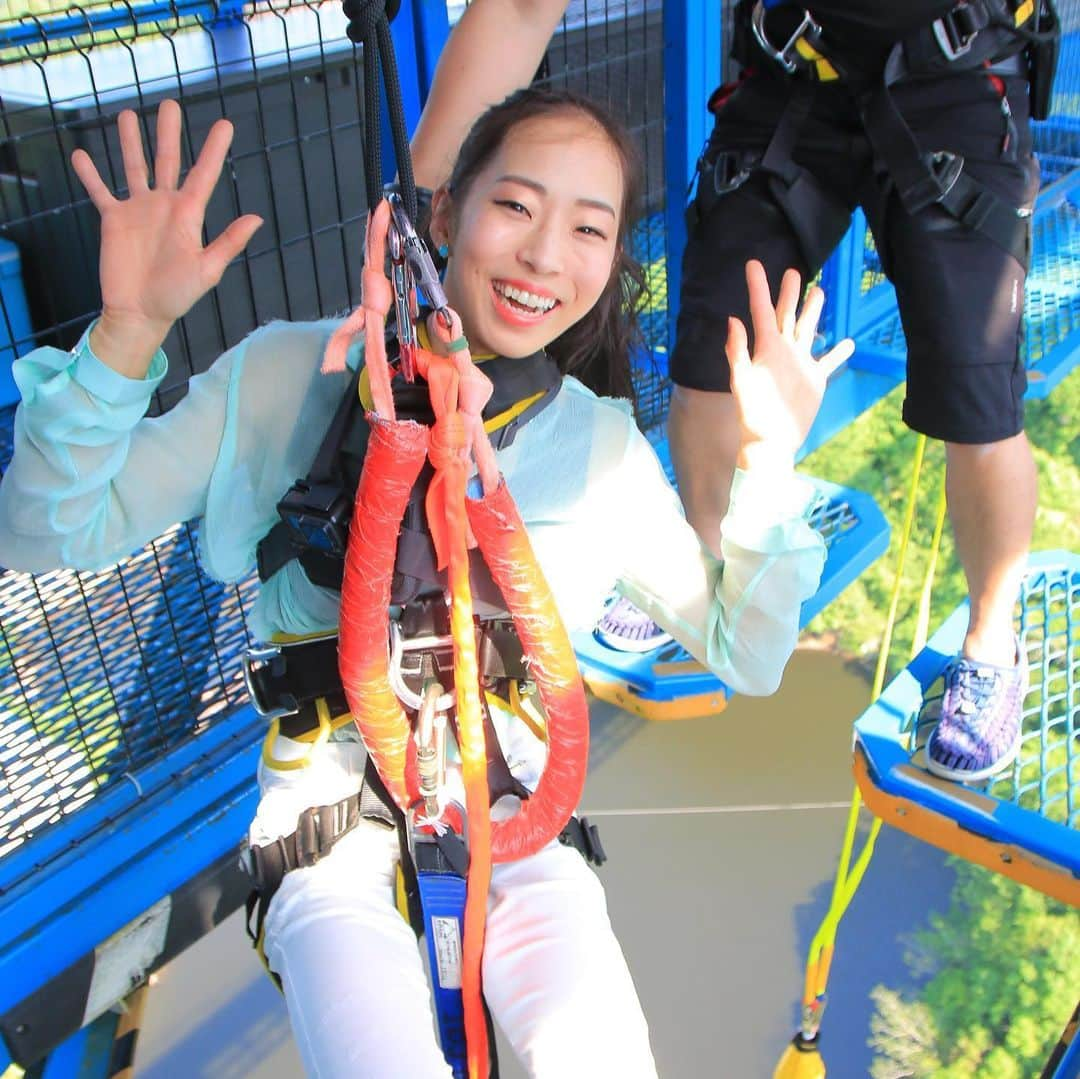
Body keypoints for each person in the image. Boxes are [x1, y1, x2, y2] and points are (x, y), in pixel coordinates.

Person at [0, 2, 851, 1072]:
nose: (546, 254)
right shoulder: (289, 380)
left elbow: (750, 652)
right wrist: (126, 336)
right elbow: (45, 537)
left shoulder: (598, 452)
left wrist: (767, 464)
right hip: (330, 819)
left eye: (589, 227)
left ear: (611, 259)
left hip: (520, 819)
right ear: (445, 211)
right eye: (516, 206)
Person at [599, 0, 1053, 783]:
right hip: (795, 66)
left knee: (978, 399)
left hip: (958, 73)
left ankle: (990, 644)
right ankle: (703, 562)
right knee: (716, 344)